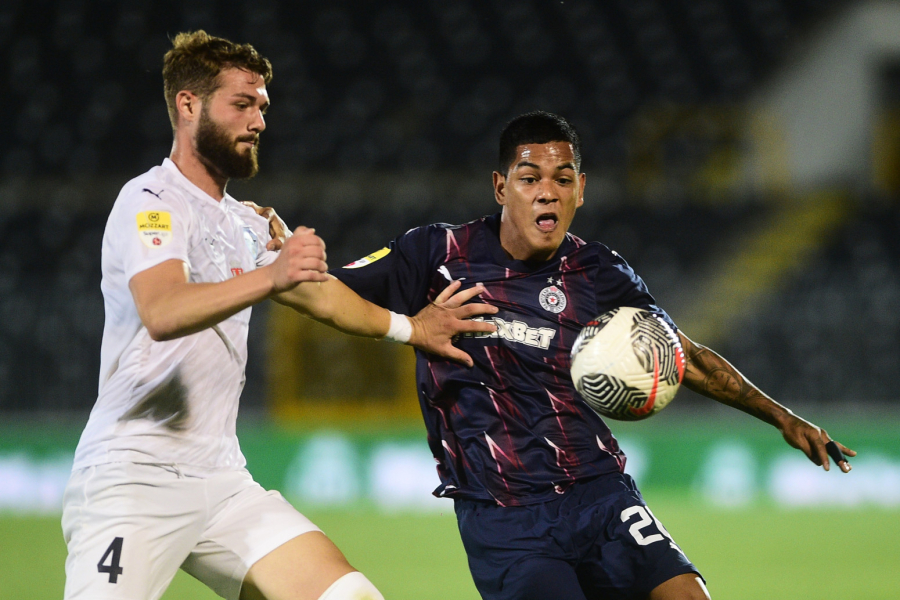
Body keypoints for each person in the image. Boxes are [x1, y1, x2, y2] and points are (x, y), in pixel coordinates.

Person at [327, 111, 857, 600]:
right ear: (500, 187)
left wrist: (782, 417)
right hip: (507, 516)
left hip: (600, 493)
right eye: (529, 178)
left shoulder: (599, 271)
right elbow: (329, 294)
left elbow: (684, 356)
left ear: (580, 190)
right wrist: (410, 328)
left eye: (562, 180)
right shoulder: (437, 254)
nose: (547, 193)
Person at [61, 31, 496, 600]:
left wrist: (412, 328)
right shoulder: (150, 201)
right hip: (133, 476)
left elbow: (322, 296)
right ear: (189, 105)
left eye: (262, 107)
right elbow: (163, 311)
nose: (258, 121)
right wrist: (271, 275)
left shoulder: (247, 223)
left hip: (221, 481)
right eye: (242, 104)